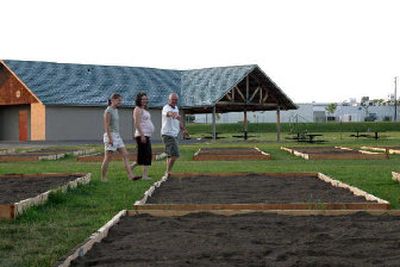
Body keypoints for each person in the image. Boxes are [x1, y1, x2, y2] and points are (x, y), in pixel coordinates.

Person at [101, 93, 139, 182]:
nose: (120, 102)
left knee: (125, 154)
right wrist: (110, 138)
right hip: (110, 135)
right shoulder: (108, 111)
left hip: (117, 136)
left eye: (121, 100)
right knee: (108, 158)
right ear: (113, 100)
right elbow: (106, 126)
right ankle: (103, 178)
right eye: (119, 100)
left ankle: (131, 176)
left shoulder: (115, 110)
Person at [161, 93, 188, 177]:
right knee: (175, 154)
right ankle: (168, 171)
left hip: (174, 134)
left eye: (176, 100)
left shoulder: (176, 108)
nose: (174, 101)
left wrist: (183, 129)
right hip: (168, 134)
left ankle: (167, 171)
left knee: (170, 155)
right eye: (173, 99)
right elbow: (169, 114)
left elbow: (178, 121)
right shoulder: (166, 107)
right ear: (169, 100)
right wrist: (174, 115)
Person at [132, 92, 155, 180]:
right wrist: (142, 135)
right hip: (141, 135)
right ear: (139, 100)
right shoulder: (137, 109)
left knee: (144, 156)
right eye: (143, 99)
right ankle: (144, 176)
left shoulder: (144, 109)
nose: (145, 101)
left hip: (146, 135)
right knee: (145, 155)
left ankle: (130, 167)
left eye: (146, 99)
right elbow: (137, 123)